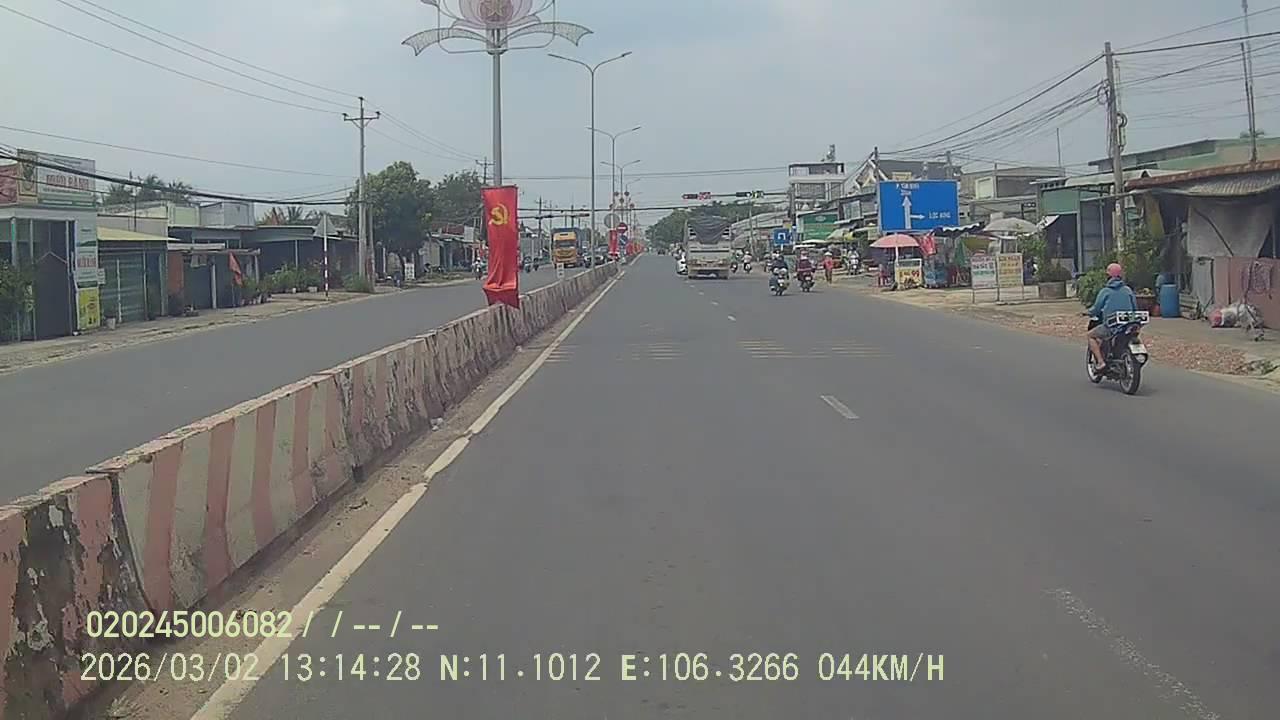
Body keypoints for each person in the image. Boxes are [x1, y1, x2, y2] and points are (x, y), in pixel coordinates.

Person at [1086, 263, 1138, 369]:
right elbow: (1135, 308)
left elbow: (1096, 309)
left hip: (1111, 326)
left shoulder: (1105, 291)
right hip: (1128, 325)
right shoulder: (1128, 290)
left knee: (1090, 335)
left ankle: (1100, 362)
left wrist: (1088, 312)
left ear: (1108, 276)